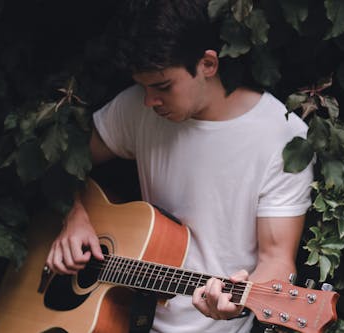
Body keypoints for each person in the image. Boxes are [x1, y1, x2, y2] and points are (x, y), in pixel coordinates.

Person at [45, 0, 313, 332]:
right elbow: (62, 159)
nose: (149, 101)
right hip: (129, 319)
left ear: (208, 64)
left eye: (162, 86)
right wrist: (74, 214)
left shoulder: (282, 138)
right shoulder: (137, 109)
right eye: (143, 86)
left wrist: (237, 304)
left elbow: (277, 260)